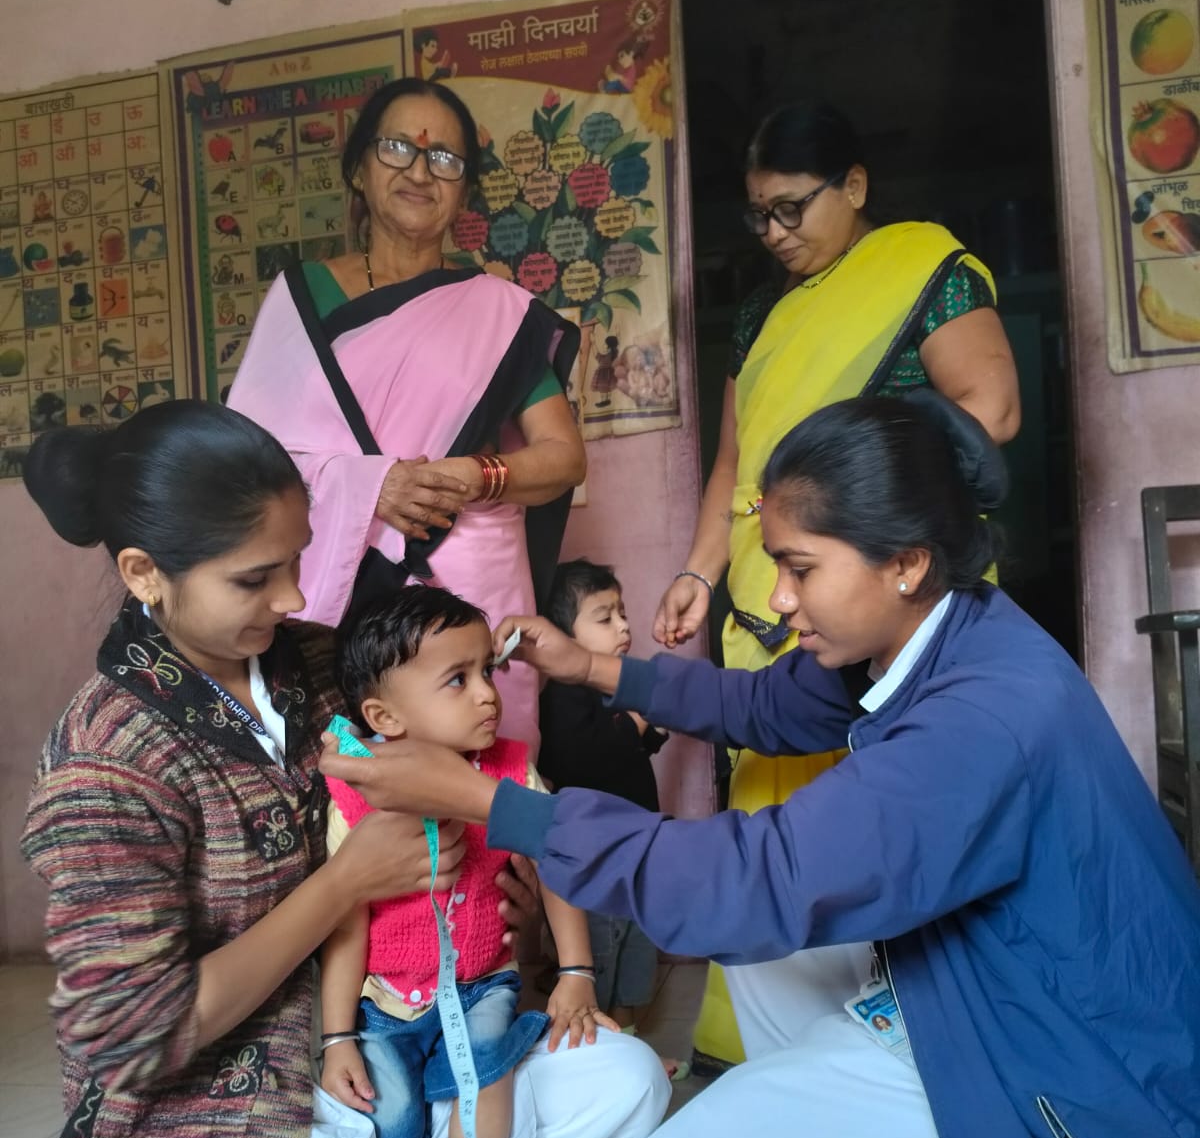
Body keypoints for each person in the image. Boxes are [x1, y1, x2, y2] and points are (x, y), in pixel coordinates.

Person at [322, 391, 1200, 1138]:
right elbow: (769, 703)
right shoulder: (945, 628)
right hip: (1032, 987)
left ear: (904, 560)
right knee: (775, 966)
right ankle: (875, 1119)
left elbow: (755, 878)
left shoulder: (980, 717)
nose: (778, 598)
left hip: (1098, 1077)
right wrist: (597, 668)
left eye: (799, 568)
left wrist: (491, 802)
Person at [19, 401, 669, 1138]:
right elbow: (136, 1037)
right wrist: (343, 887)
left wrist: (499, 911)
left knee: (624, 1083)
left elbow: (469, 778)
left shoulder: (315, 666)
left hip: (375, 1051)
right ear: (145, 573)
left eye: (297, 562)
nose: (293, 598)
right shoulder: (102, 763)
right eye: (254, 579)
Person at [652, 100, 1022, 1075]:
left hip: (872, 593)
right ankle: (764, 1048)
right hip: (762, 591)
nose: (775, 234)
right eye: (758, 216)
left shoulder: (926, 272)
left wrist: (871, 524)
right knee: (765, 811)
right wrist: (697, 572)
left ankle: (890, 1046)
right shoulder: (761, 312)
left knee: (872, 816)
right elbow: (736, 462)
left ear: (854, 187)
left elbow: (991, 409)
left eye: (793, 208)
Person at [229, 76, 587, 750]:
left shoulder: (497, 312)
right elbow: (245, 461)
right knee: (353, 775)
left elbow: (562, 457)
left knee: (488, 777)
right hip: (332, 582)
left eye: (445, 159)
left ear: (464, 190)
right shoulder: (302, 297)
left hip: (470, 574)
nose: (420, 171)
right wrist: (372, 488)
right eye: (398, 148)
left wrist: (473, 476)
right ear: (359, 170)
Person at [321, 586, 618, 1138]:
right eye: (457, 680)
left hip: (482, 980)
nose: (488, 695)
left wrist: (575, 972)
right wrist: (337, 1039)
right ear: (383, 717)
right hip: (385, 1000)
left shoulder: (512, 771)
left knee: (486, 1074)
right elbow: (343, 924)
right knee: (387, 1125)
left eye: (489, 670)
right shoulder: (356, 794)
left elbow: (557, 867)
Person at [540, 560, 670, 1037]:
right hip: (596, 850)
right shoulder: (563, 697)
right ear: (561, 635)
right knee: (604, 943)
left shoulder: (616, 682)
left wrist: (650, 731)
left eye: (622, 613)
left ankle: (633, 1034)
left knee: (640, 941)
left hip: (639, 839)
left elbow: (632, 753)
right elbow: (580, 763)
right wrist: (634, 726)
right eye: (604, 617)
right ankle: (605, 1037)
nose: (623, 626)